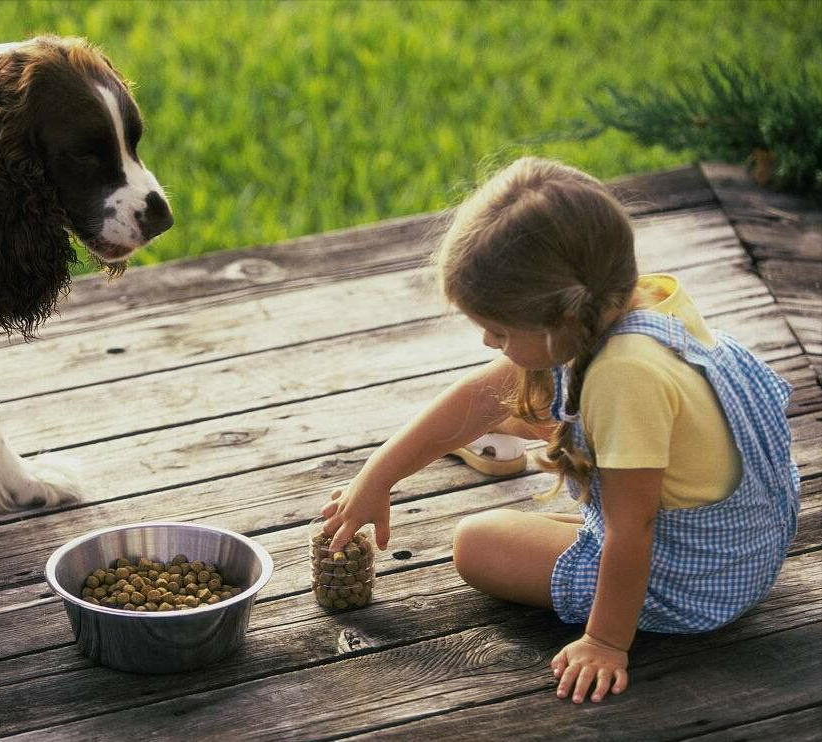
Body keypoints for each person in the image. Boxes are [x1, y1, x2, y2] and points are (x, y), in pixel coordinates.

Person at [319, 156, 799, 704]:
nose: (488, 344)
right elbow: (476, 401)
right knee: (520, 417)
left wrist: (605, 641)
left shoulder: (625, 376)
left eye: (498, 331)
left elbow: (632, 530)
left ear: (563, 320)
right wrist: (376, 479)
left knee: (475, 543)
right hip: (750, 541)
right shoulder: (635, 302)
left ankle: (617, 614)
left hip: (702, 583)